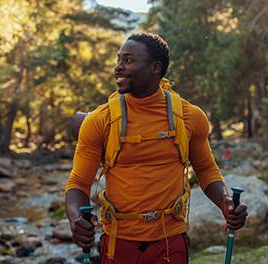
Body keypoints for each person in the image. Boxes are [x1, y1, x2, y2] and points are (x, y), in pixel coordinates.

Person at [65, 32, 248, 264]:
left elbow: (206, 169)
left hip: (170, 242)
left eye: (128, 60)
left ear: (155, 68)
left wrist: (225, 203)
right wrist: (76, 218)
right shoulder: (100, 120)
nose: (118, 67)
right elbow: (78, 183)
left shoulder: (190, 117)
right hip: (118, 243)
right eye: (119, 60)